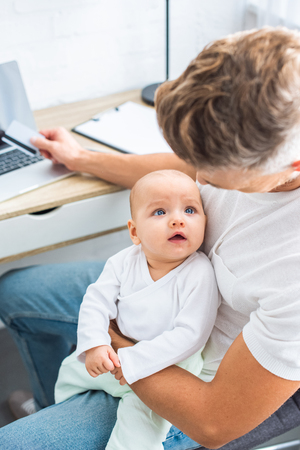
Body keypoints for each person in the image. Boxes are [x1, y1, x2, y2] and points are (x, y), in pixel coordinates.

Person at [1, 26, 300, 450]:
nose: (197, 178)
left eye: (212, 173)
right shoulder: (265, 115)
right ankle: (58, 405)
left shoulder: (293, 271)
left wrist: (113, 339)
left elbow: (213, 423)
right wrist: (81, 158)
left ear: (294, 163)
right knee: (15, 291)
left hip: (206, 372)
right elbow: (180, 162)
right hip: (163, 283)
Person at [54, 170, 219, 450]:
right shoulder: (123, 262)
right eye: (159, 212)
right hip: (115, 357)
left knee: (138, 432)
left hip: (167, 367)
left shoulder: (199, 273)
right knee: (68, 373)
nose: (178, 219)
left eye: (190, 209)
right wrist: (95, 344)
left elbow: (191, 335)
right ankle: (57, 410)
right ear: (134, 232)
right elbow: (96, 302)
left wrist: (135, 361)